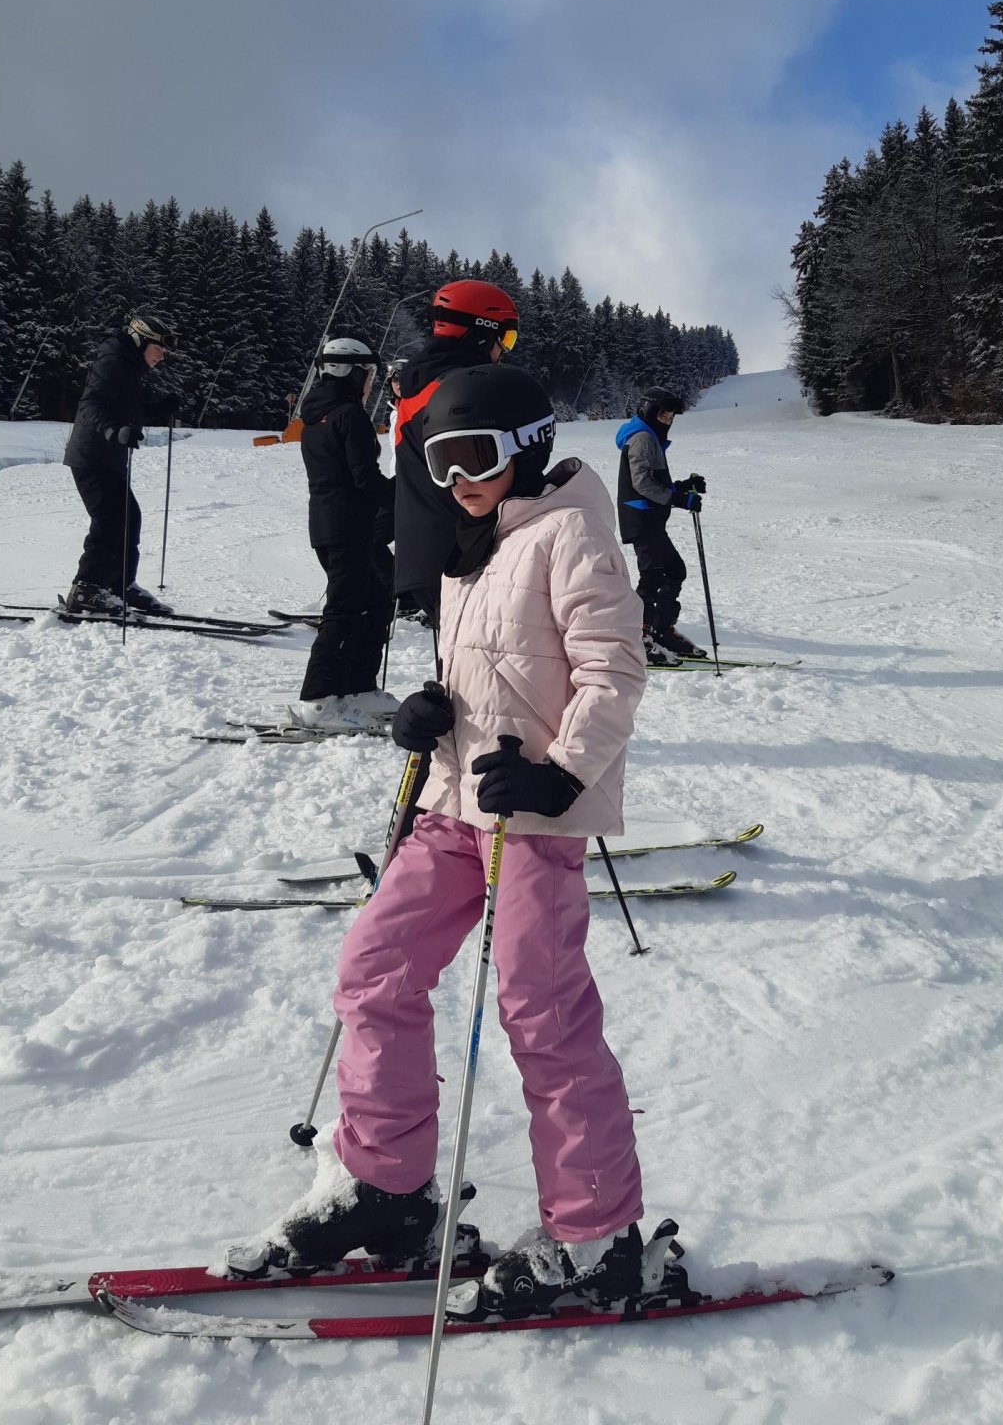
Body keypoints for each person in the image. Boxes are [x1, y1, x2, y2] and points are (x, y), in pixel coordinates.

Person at [231, 363, 650, 1314]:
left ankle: (596, 1240)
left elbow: (613, 672)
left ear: (528, 446)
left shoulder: (573, 533)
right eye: (439, 462)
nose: (458, 479)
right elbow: (490, 667)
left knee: (540, 1012)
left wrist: (562, 772)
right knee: (374, 968)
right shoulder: (479, 540)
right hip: (453, 804)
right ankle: (386, 1188)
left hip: (532, 817)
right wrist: (433, 712)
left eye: (474, 457)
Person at [392, 279, 518, 628]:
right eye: (506, 337)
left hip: (427, 554)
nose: (504, 350)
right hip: (464, 554)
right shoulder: (462, 390)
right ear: (481, 333)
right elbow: (487, 471)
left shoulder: (420, 383)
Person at [288, 335, 397, 729]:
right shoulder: (349, 415)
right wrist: (404, 494)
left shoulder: (316, 416)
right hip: (348, 527)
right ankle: (318, 700)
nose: (370, 383)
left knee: (376, 600)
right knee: (345, 611)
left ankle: (357, 688)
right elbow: (364, 478)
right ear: (349, 372)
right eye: (367, 374)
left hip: (330, 525)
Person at [62, 311, 178, 616]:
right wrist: (113, 430)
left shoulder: (128, 368)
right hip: (91, 455)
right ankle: (86, 589)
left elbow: (129, 410)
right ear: (140, 341)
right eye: (158, 349)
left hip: (107, 457)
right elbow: (90, 404)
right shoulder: (113, 362)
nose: (161, 357)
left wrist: (160, 409)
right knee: (110, 519)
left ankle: (118, 585)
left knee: (129, 518)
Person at [614, 386, 708, 664]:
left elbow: (654, 482)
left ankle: (661, 629)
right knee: (653, 575)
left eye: (670, 417)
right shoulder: (642, 438)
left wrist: (683, 487)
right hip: (641, 517)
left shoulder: (650, 437)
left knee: (673, 570)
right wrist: (678, 498)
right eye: (663, 415)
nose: (667, 420)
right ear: (649, 411)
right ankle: (639, 636)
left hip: (650, 519)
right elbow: (642, 482)